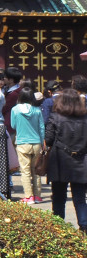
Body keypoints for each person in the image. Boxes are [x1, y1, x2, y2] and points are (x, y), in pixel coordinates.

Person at [44, 88, 87, 230]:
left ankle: (58, 227)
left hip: (60, 161)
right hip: (81, 161)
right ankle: (84, 226)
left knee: (58, 197)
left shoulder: (55, 117)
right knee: (80, 198)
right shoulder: (85, 118)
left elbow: (49, 140)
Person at [11, 86, 45, 204]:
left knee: (25, 171)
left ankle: (28, 196)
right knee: (36, 170)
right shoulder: (37, 110)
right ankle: (37, 195)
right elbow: (41, 127)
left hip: (22, 143)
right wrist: (42, 142)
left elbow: (13, 125)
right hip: (36, 143)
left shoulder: (15, 110)